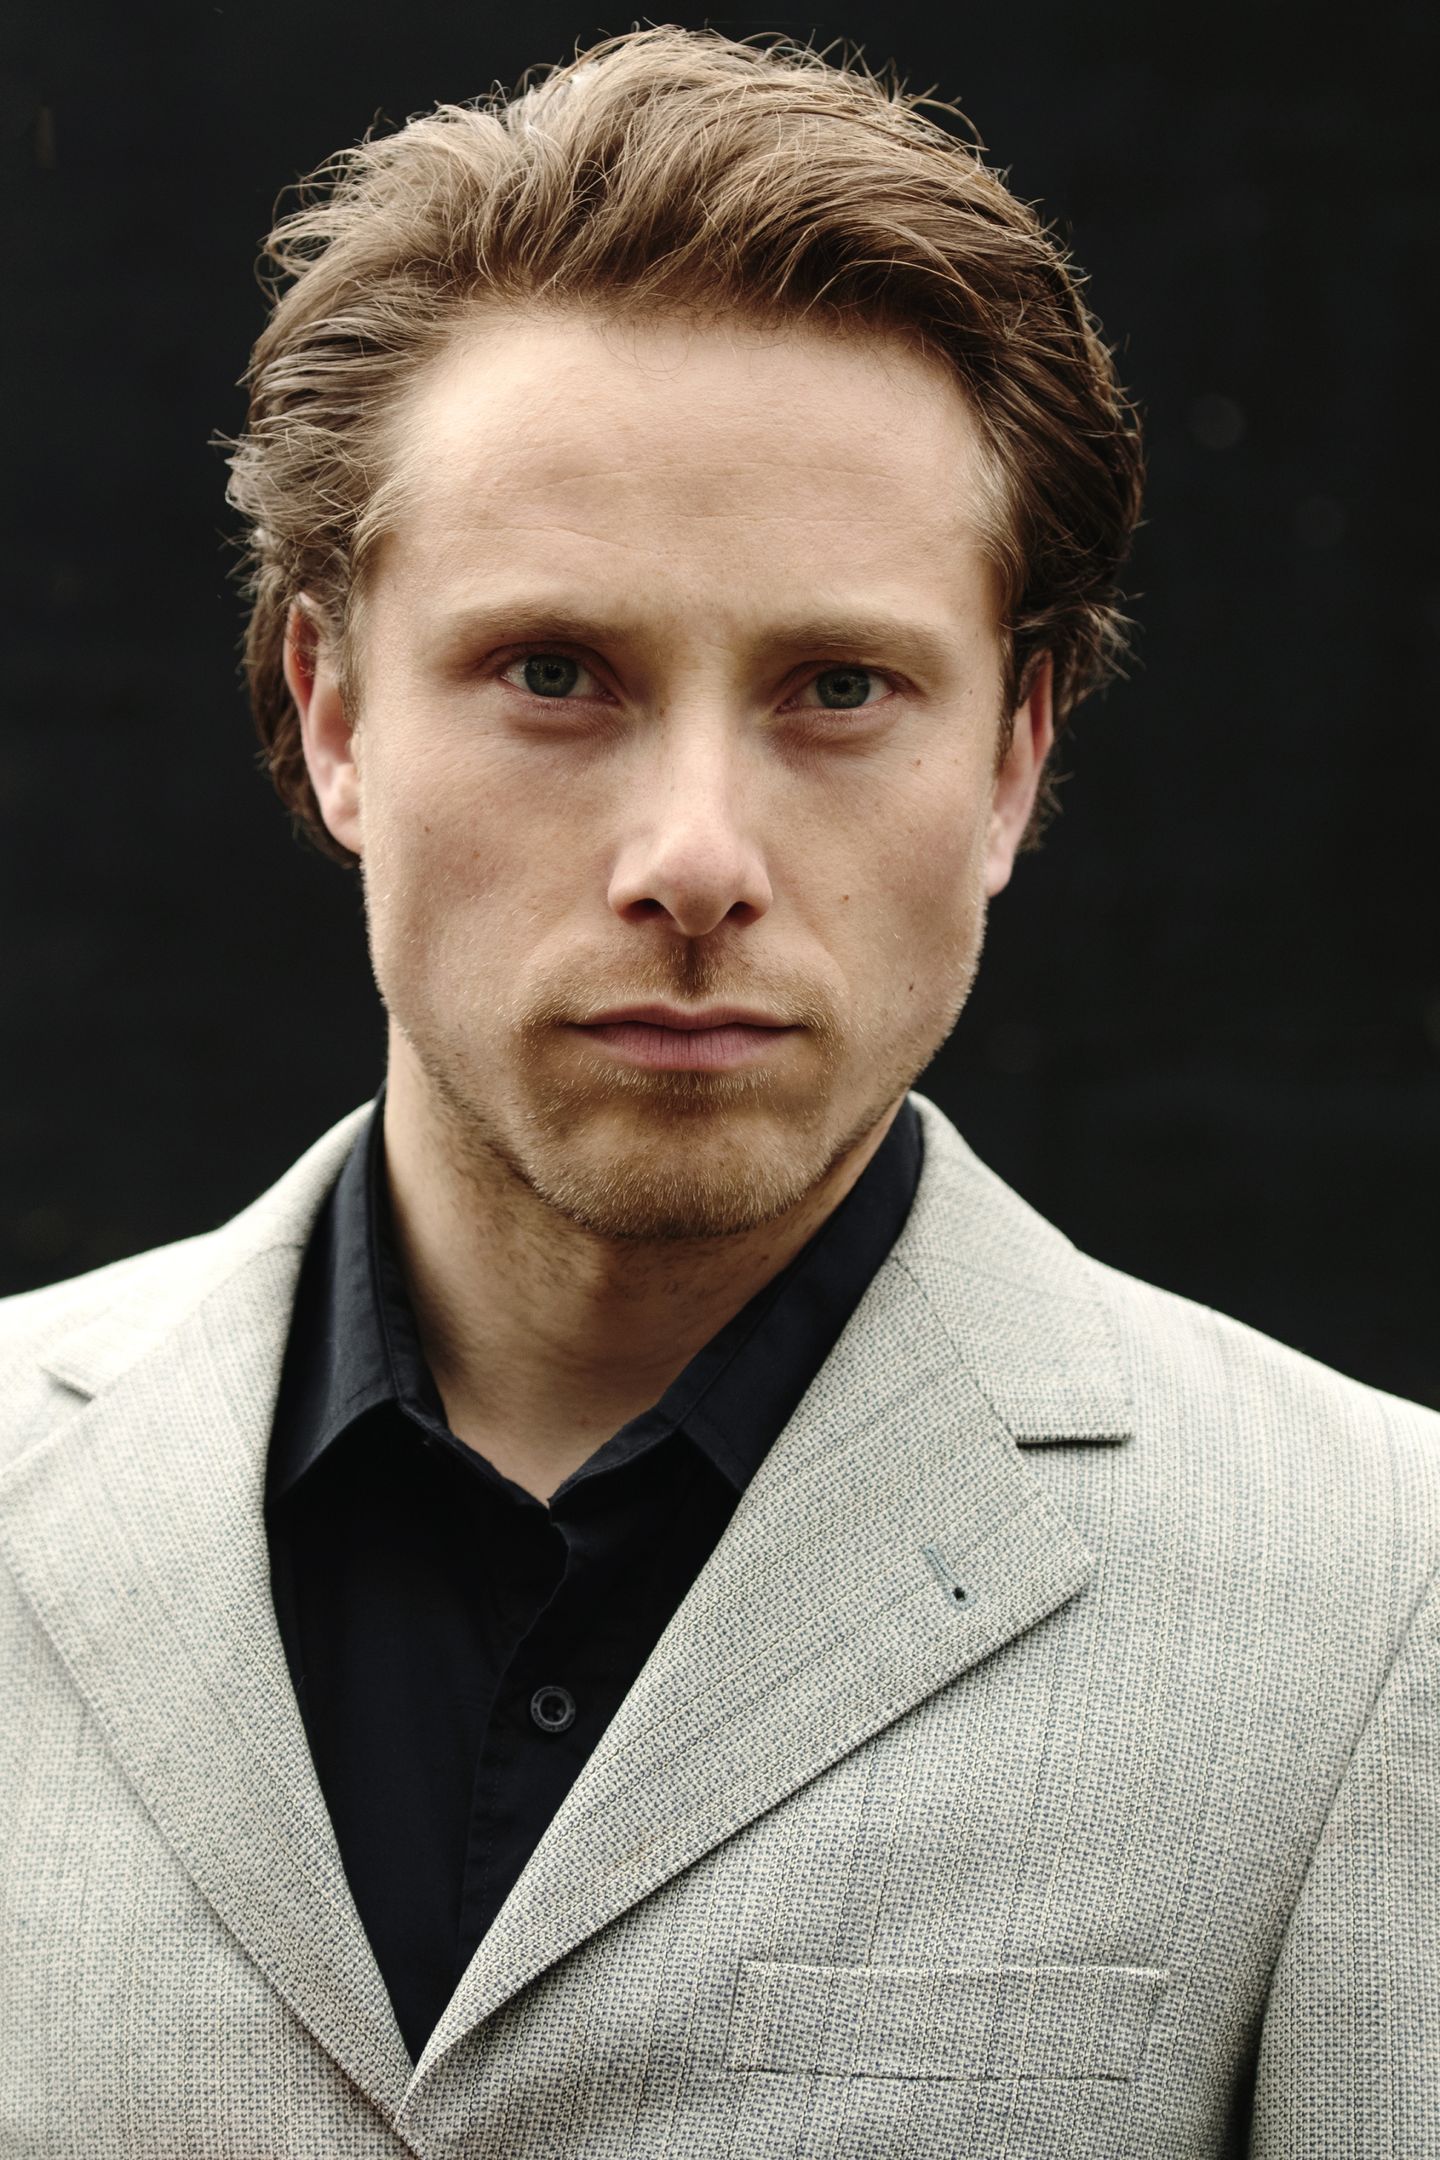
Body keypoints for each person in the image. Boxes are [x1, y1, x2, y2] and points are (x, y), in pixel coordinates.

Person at [1, 24, 1435, 2157]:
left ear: (1016, 754)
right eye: (553, 673)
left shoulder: (1382, 1593)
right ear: (333, 711)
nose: (694, 857)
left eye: (839, 687)